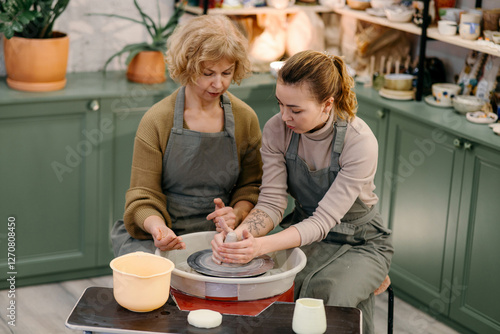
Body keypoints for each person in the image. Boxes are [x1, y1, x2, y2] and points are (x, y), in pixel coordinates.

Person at [212, 50, 394, 334]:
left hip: (361, 242)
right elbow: (272, 202)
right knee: (275, 286)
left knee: (329, 296)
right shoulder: (277, 130)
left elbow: (323, 222)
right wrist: (238, 237)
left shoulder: (359, 142)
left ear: (327, 104)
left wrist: (259, 246)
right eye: (280, 104)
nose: (285, 116)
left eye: (295, 110)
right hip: (304, 227)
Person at [111, 15, 263, 256]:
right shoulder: (157, 120)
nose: (218, 84)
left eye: (226, 72)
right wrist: (159, 230)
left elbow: (251, 186)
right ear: (187, 67)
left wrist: (237, 213)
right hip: (164, 231)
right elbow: (143, 195)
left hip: (220, 235)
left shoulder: (246, 119)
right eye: (208, 73)